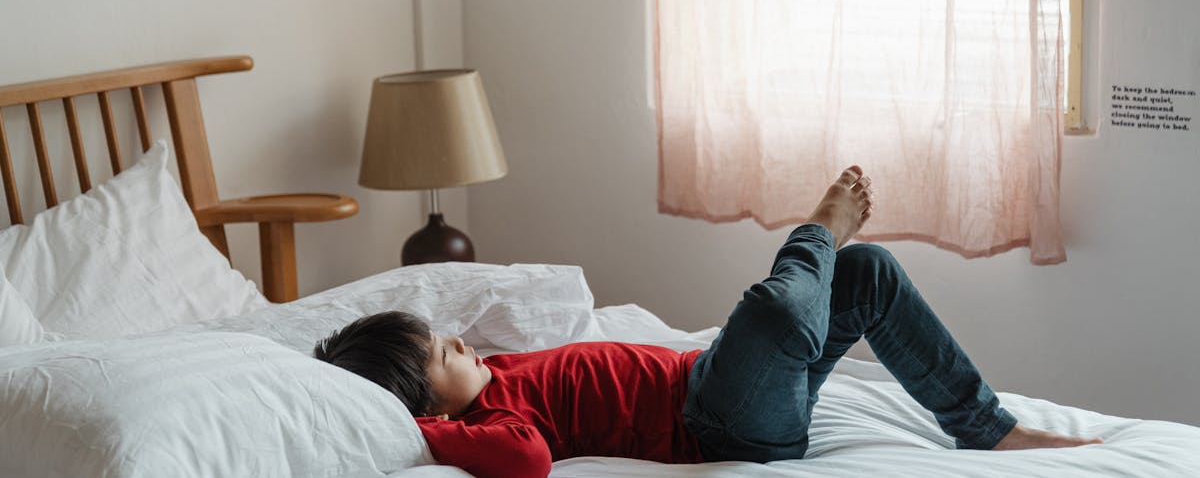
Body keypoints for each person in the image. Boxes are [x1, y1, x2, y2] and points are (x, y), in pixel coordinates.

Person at [314, 166, 1101, 478]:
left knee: (868, 275)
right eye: (438, 351)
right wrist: (430, 431)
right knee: (773, 307)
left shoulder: (489, 377)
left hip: (714, 378)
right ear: (432, 402)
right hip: (720, 421)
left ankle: (986, 425)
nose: (455, 338)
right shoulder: (488, 418)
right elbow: (528, 461)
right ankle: (817, 229)